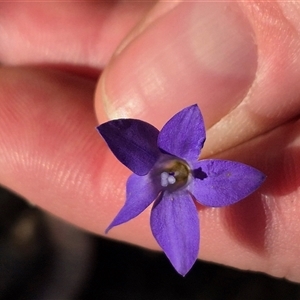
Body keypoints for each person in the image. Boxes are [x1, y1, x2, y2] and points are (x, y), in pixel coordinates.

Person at [0, 1, 299, 282]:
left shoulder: (185, 135)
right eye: (177, 172)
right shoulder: (152, 163)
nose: (175, 174)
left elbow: (203, 140)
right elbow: (131, 145)